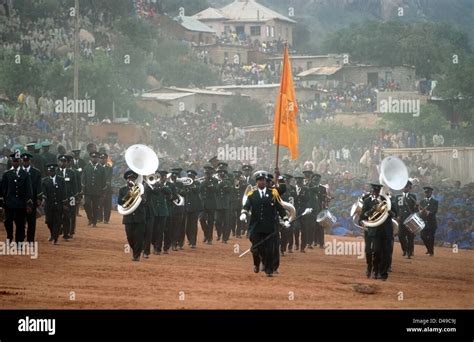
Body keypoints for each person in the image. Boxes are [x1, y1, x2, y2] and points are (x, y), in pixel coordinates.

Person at [240, 171, 290, 277]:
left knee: (269, 248)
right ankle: (256, 263)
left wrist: (285, 219)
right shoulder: (252, 194)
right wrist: (243, 213)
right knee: (256, 248)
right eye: (260, 180)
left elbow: (280, 208)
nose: (262, 182)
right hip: (256, 226)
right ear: (257, 182)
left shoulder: (273, 193)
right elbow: (246, 206)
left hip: (269, 226)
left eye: (263, 180)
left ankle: (269, 269)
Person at [359, 183, 396, 280]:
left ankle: (383, 274)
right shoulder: (367, 201)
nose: (375, 193)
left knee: (386, 253)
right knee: (376, 251)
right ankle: (374, 270)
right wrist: (371, 211)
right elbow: (362, 216)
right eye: (374, 191)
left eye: (377, 191)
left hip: (386, 231)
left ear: (380, 192)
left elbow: (396, 213)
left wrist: (391, 213)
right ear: (372, 191)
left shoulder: (388, 200)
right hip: (375, 231)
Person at [0, 152, 33, 243]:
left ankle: (19, 241)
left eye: (17, 161)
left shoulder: (25, 174)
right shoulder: (7, 174)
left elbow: (28, 189)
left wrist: (29, 203)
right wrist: (2, 202)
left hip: (20, 204)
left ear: (20, 161)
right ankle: (9, 237)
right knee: (7, 222)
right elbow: (3, 189)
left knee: (20, 224)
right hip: (9, 203)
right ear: (11, 161)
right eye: (14, 161)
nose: (15, 163)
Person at [118, 170, 146, 261]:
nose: (131, 180)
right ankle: (136, 251)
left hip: (139, 216)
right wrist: (130, 193)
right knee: (130, 237)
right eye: (129, 178)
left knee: (139, 236)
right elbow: (120, 202)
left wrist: (141, 196)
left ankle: (136, 255)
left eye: (133, 178)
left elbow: (145, 202)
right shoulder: (122, 190)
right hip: (128, 217)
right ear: (127, 180)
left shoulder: (141, 189)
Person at [42, 163, 67, 245]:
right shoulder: (44, 181)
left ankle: (55, 238)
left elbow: (64, 192)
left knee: (58, 221)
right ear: (48, 171)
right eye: (50, 171)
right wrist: (43, 200)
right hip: (49, 205)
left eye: (53, 171)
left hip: (58, 204)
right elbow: (44, 193)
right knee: (49, 221)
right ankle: (52, 234)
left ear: (55, 171)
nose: (52, 172)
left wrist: (64, 203)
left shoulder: (61, 180)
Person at [20, 153, 42, 243]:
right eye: (24, 160)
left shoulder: (36, 172)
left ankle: (30, 240)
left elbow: (38, 186)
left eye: (27, 160)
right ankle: (21, 237)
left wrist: (39, 198)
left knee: (31, 222)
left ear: (30, 161)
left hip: (32, 201)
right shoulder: (18, 171)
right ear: (22, 161)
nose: (25, 162)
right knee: (20, 221)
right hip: (20, 201)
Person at [82, 151, 106, 227]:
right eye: (92, 157)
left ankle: (94, 222)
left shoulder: (102, 169)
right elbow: (83, 179)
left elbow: (103, 181)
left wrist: (103, 192)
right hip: (87, 191)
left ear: (98, 158)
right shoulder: (86, 167)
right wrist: (83, 188)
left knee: (96, 207)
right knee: (86, 204)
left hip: (97, 191)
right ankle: (90, 218)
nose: (94, 159)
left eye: (95, 157)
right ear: (90, 158)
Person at [56, 155, 77, 240]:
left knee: (68, 216)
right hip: (57, 198)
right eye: (61, 161)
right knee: (57, 216)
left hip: (69, 198)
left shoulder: (71, 173)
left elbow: (74, 186)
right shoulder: (56, 172)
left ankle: (66, 233)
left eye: (64, 161)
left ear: (67, 163)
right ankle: (57, 231)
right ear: (58, 162)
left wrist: (74, 198)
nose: (62, 163)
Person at [395, 180, 418, 258]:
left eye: (407, 187)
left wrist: (416, 207)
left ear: (409, 188)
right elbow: (397, 208)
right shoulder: (398, 197)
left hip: (410, 220)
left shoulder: (413, 196)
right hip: (401, 220)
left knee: (410, 237)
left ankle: (409, 252)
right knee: (401, 236)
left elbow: (415, 210)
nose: (405, 188)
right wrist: (397, 216)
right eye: (404, 187)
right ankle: (405, 250)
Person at [199, 165, 218, 244]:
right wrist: (204, 181)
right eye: (206, 173)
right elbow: (200, 190)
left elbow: (215, 190)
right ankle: (206, 234)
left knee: (210, 221)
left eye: (208, 173)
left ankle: (209, 239)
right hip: (203, 203)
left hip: (211, 204)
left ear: (211, 173)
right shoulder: (202, 181)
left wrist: (207, 181)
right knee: (202, 219)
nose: (207, 174)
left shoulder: (215, 181)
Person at [184, 170, 202, 248]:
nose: (190, 178)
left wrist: (191, 185)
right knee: (187, 226)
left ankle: (193, 242)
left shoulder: (197, 183)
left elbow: (197, 190)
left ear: (194, 177)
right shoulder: (184, 184)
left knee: (193, 225)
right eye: (189, 176)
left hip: (195, 207)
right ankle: (189, 239)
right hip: (186, 207)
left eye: (191, 177)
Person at [420, 186, 438, 256]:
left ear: (431, 193)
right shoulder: (422, 201)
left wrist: (427, 212)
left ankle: (431, 251)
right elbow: (420, 211)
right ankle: (429, 249)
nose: (426, 194)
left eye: (428, 192)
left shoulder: (435, 202)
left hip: (431, 223)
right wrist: (421, 212)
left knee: (431, 237)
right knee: (422, 236)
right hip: (423, 222)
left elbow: (434, 211)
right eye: (425, 192)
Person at [215, 167, 231, 243]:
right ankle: (219, 234)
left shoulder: (228, 182)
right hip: (217, 205)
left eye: (222, 174)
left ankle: (225, 238)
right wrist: (220, 183)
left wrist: (222, 183)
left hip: (226, 205)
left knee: (226, 222)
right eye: (220, 173)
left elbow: (228, 190)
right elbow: (215, 190)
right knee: (217, 221)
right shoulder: (215, 182)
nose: (221, 175)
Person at [98, 153, 113, 224]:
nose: (102, 160)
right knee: (99, 204)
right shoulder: (97, 167)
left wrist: (105, 186)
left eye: (103, 158)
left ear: (106, 159)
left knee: (107, 205)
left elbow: (109, 179)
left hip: (107, 189)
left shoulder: (109, 168)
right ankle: (99, 218)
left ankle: (106, 219)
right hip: (98, 189)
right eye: (101, 158)